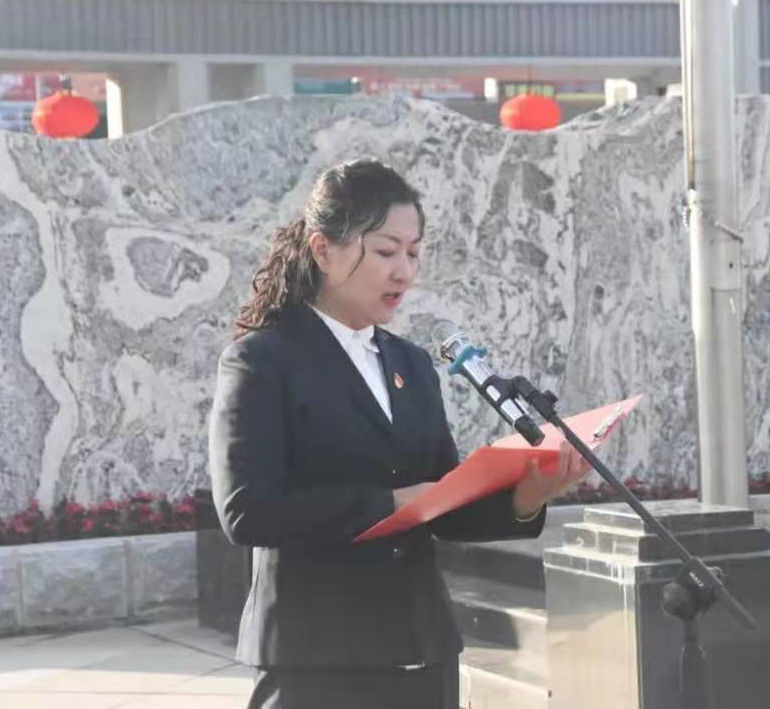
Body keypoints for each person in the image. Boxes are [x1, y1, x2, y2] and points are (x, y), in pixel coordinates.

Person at [208, 158, 590, 709]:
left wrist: (526, 497)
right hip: (317, 657)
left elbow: (442, 501)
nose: (403, 272)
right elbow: (246, 511)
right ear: (323, 250)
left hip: (420, 647)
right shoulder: (263, 360)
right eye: (386, 252)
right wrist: (391, 502)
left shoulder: (411, 363)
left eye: (413, 253)